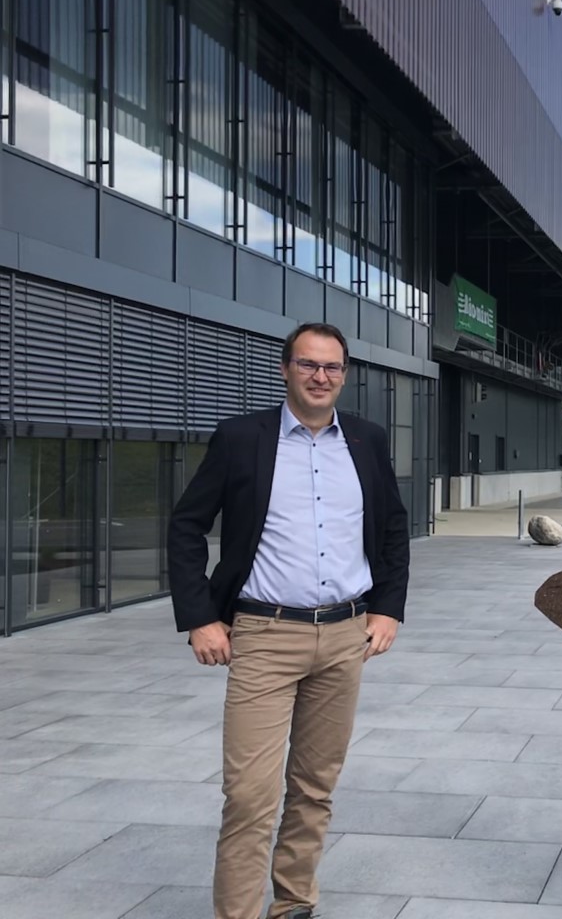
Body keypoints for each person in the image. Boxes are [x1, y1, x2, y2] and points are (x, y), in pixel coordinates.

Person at [168, 321, 409, 919]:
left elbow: (393, 529)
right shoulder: (240, 438)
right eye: (308, 365)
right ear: (285, 369)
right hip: (264, 636)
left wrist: (388, 608)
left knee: (313, 788)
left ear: (345, 375)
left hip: (345, 636)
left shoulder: (368, 441)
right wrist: (201, 618)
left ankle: (295, 905)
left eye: (331, 367)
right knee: (249, 795)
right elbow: (186, 527)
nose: (320, 377)